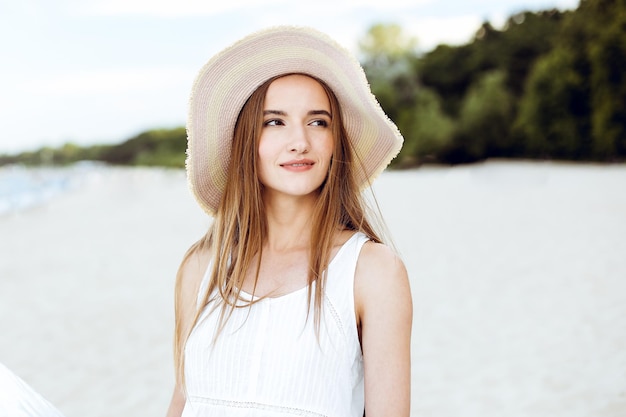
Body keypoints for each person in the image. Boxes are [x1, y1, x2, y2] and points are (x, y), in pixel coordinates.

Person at [166, 26, 412, 417]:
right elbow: (183, 401)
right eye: (274, 122)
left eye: (318, 122)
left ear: (336, 142)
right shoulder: (201, 268)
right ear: (247, 141)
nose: (300, 141)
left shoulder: (373, 272)